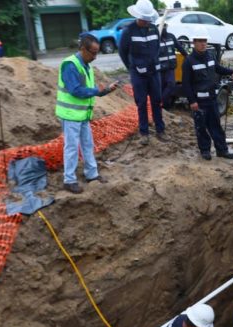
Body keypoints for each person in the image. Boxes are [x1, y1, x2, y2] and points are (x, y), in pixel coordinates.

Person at [56, 34, 118, 194]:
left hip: (82, 115)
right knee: (71, 147)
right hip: (70, 115)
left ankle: (92, 174)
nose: (95, 57)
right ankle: (69, 180)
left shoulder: (85, 65)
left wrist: (104, 91)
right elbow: (75, 90)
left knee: (87, 145)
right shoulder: (70, 65)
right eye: (93, 52)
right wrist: (97, 91)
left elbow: (89, 90)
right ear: (83, 49)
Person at [182, 28, 233, 160]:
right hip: (199, 102)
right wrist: (192, 101)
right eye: (200, 41)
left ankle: (222, 150)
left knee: (216, 127)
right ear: (194, 42)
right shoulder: (189, 61)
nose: (203, 43)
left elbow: (218, 68)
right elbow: (186, 84)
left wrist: (231, 71)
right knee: (201, 128)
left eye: (205, 41)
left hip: (212, 99)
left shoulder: (210, 56)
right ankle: (205, 151)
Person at [119, 0, 165, 145]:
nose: (146, 21)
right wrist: (132, 67)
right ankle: (144, 133)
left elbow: (157, 47)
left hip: (154, 73)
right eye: (144, 19)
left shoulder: (153, 29)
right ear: (138, 16)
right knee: (141, 103)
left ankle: (160, 130)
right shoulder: (128, 31)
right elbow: (123, 52)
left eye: (148, 19)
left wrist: (153, 62)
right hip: (138, 74)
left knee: (157, 101)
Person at [159, 22, 187, 110]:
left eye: (165, 26)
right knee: (162, 88)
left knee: (171, 85)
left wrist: (187, 56)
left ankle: (159, 102)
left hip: (170, 67)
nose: (163, 28)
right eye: (161, 26)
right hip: (160, 69)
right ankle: (166, 107)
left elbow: (179, 47)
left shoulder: (171, 36)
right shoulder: (155, 39)